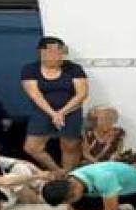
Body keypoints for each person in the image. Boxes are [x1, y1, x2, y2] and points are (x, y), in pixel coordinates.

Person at [21, 36, 89, 173]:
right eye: (52, 51)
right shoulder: (30, 69)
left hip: (71, 110)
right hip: (42, 111)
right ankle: (58, 171)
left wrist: (61, 113)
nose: (58, 55)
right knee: (32, 147)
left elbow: (82, 94)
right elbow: (35, 94)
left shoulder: (74, 68)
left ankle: (69, 173)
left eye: (60, 51)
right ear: (42, 52)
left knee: (70, 145)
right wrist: (53, 114)